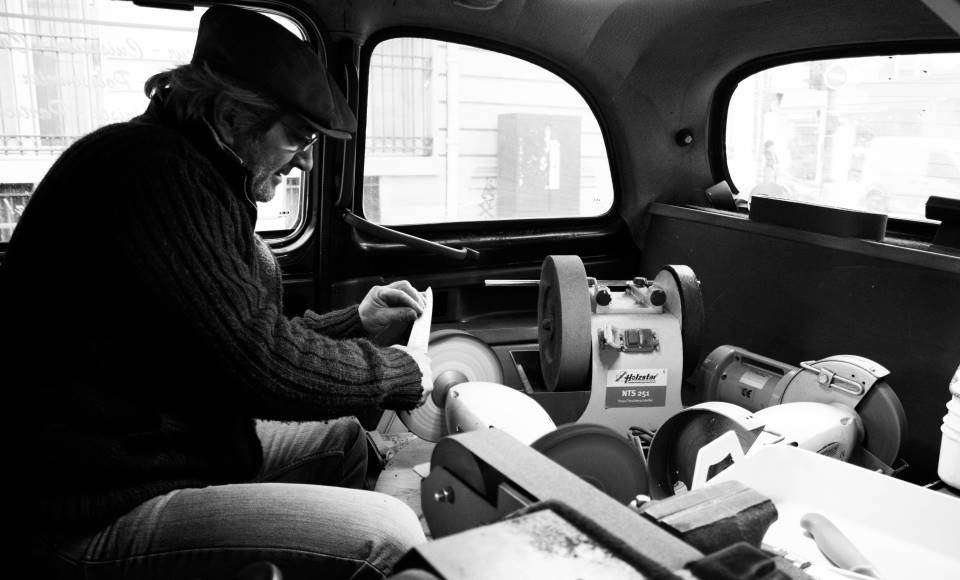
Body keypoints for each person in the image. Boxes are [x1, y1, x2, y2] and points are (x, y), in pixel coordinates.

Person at [0, 6, 433, 579]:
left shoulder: (194, 170)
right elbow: (254, 364)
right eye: (297, 138)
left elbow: (224, 335)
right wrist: (398, 372)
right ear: (232, 114)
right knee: (390, 535)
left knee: (347, 441)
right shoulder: (153, 174)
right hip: (86, 509)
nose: (305, 160)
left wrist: (357, 320)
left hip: (164, 451)